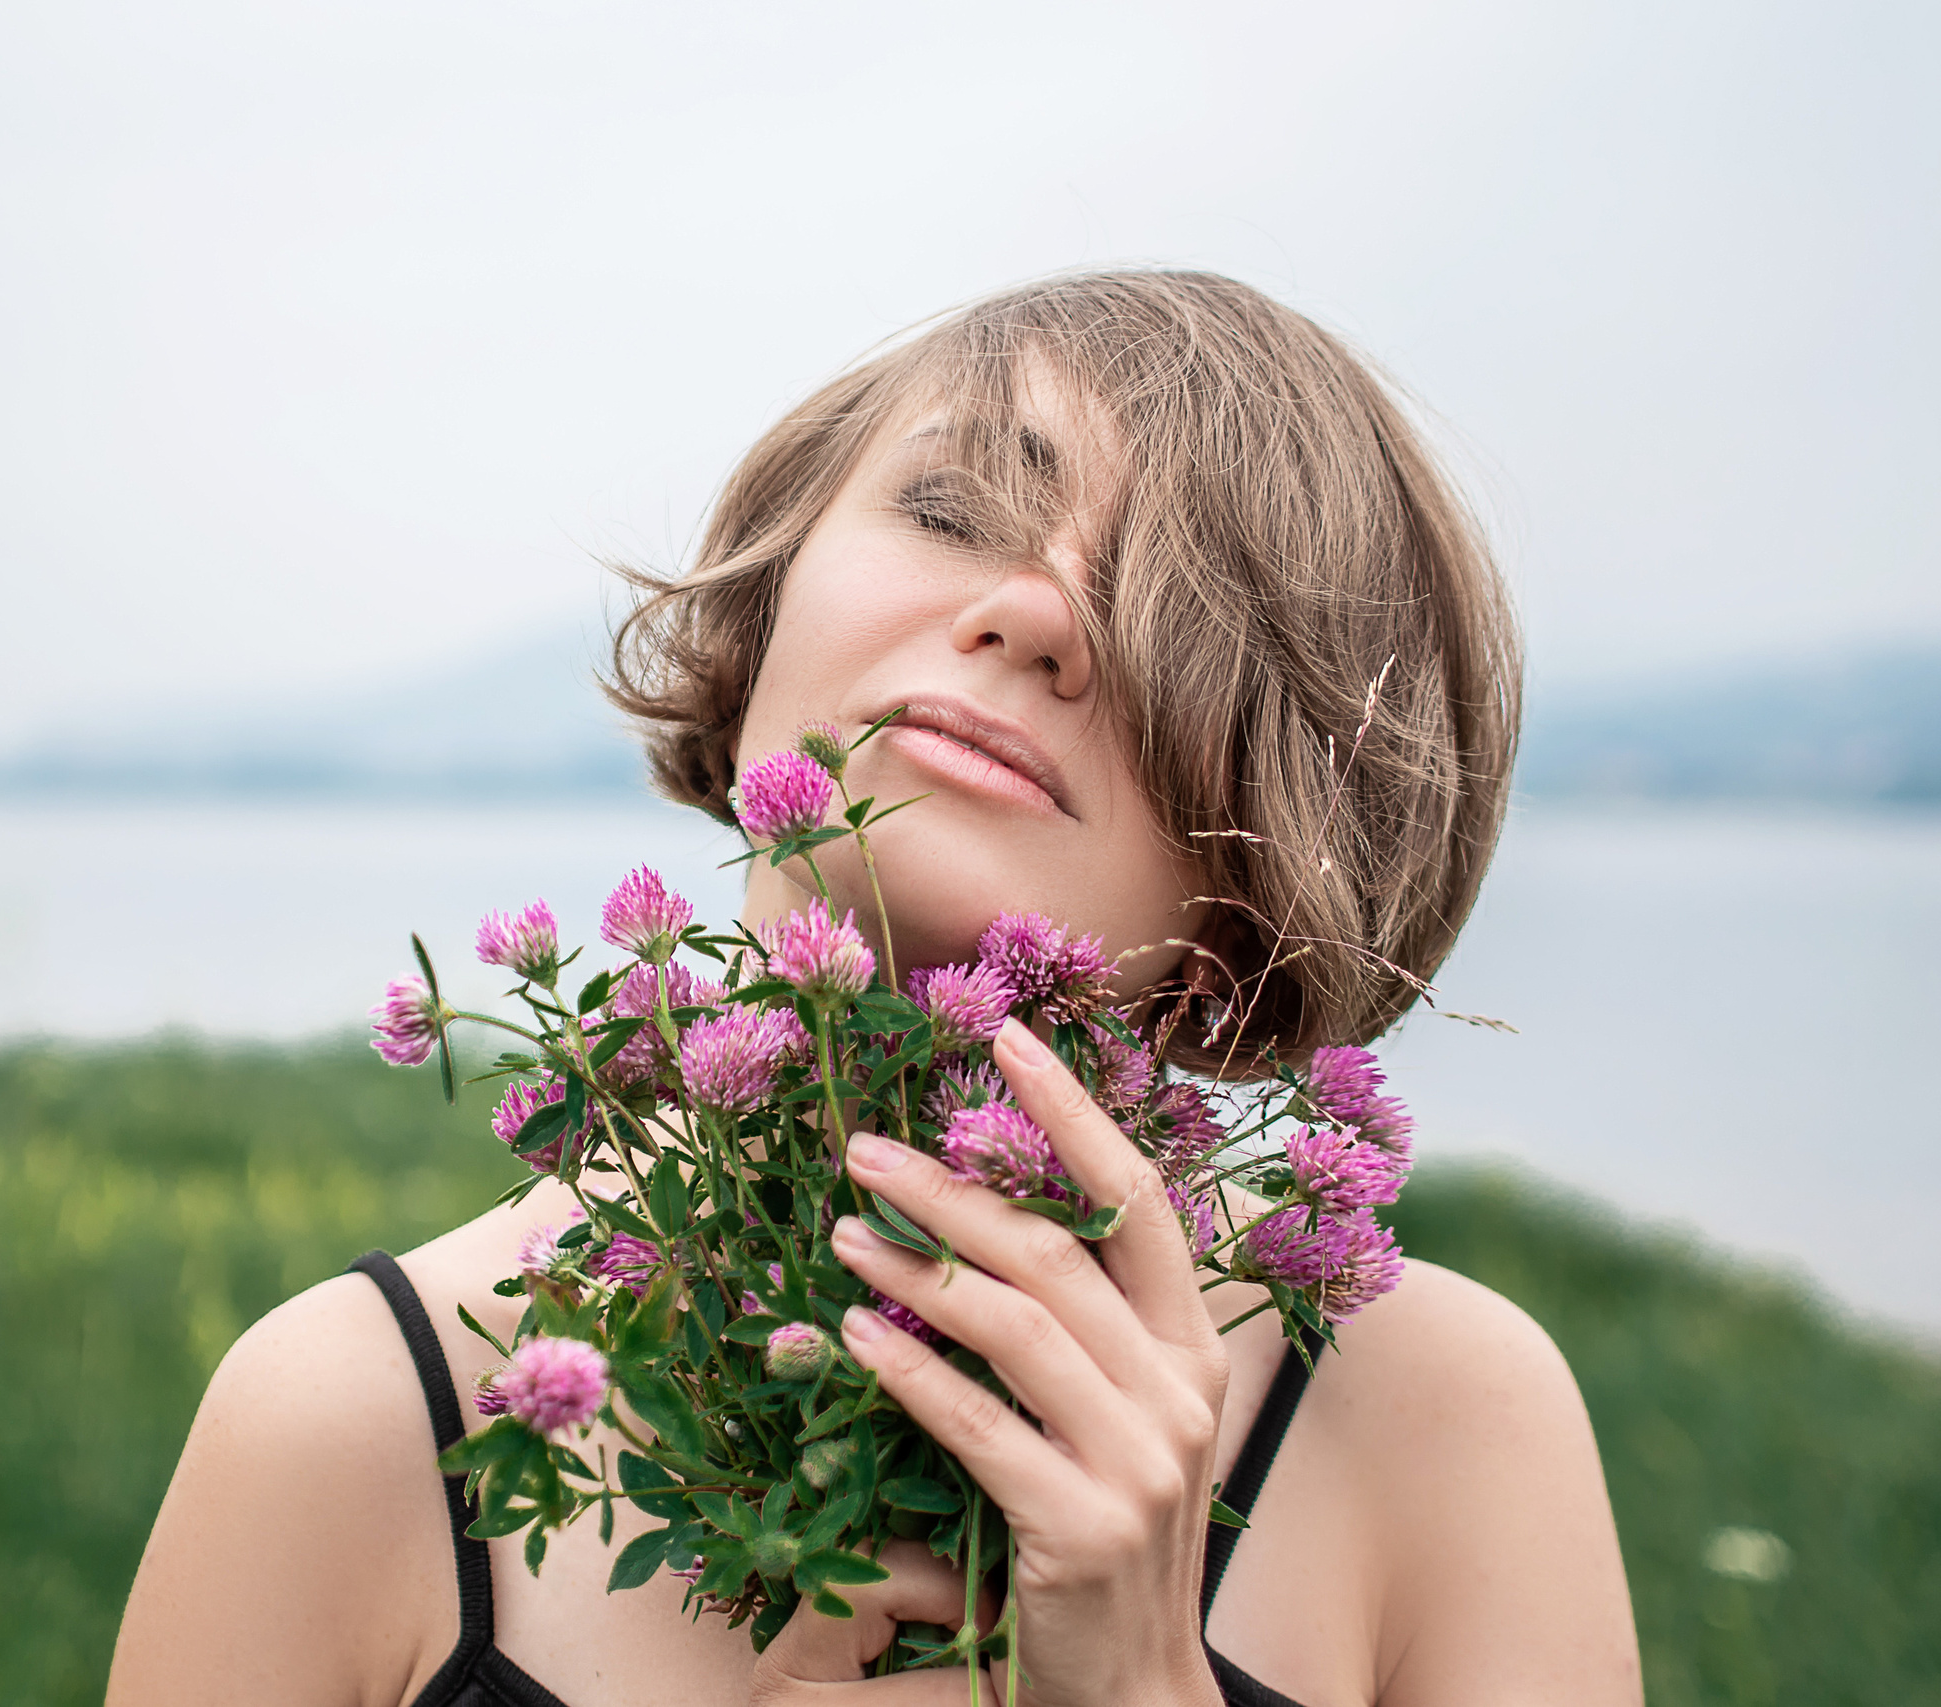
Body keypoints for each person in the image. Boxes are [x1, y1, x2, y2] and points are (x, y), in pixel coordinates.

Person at [104, 272, 1641, 1705]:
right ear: (769, 598)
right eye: (954, 508)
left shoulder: (1440, 1424)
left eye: (1179, 609)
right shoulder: (345, 1418)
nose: (1036, 610)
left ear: (1275, 869)